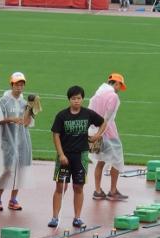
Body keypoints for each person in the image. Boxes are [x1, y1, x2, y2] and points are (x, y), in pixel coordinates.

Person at [49, 85, 106, 229]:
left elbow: (103, 122)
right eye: (74, 98)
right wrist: (61, 154)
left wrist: (97, 135)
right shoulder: (62, 116)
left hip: (81, 156)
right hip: (65, 156)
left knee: (78, 187)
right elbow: (56, 135)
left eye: (79, 98)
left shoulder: (88, 114)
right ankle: (55, 217)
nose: (76, 101)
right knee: (61, 186)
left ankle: (77, 218)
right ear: (69, 99)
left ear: (82, 99)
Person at [0, 72, 33, 212]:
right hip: (7, 141)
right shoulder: (3, 101)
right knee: (8, 170)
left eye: (21, 84)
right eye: (17, 84)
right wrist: (10, 119)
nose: (19, 87)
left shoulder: (24, 103)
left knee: (19, 170)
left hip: (22, 140)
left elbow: (27, 123)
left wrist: (31, 111)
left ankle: (13, 200)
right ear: (11, 85)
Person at [90, 73, 129, 202]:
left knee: (101, 161)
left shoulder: (97, 94)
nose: (119, 89)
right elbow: (107, 118)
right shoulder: (113, 96)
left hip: (95, 130)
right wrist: (101, 133)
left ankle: (98, 191)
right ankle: (112, 191)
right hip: (108, 132)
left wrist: (94, 133)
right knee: (117, 160)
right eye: (119, 86)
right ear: (116, 83)